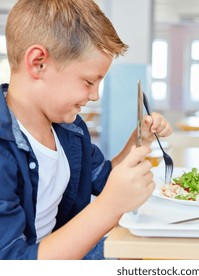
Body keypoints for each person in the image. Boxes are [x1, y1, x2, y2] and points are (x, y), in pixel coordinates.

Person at [0, 0, 173, 260]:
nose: (94, 95)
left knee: (160, 253)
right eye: (89, 81)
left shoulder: (70, 129)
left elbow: (106, 179)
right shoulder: (4, 154)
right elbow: (14, 265)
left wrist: (141, 140)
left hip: (65, 253)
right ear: (38, 63)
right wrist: (109, 207)